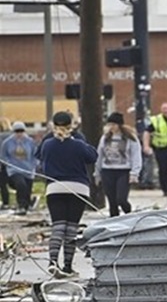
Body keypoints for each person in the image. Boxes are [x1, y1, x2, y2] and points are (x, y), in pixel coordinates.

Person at [38, 111, 98, 277]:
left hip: (54, 187)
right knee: (71, 229)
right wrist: (76, 134)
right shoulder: (78, 143)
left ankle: (52, 261)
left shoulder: (47, 144)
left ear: (53, 124)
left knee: (58, 226)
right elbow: (92, 156)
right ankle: (67, 266)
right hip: (78, 188)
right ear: (71, 124)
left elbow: (39, 156)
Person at [95, 112, 142, 217]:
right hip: (107, 170)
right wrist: (97, 173)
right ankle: (114, 220)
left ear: (119, 125)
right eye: (109, 124)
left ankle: (129, 215)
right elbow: (99, 155)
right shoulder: (105, 138)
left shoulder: (130, 139)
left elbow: (136, 155)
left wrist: (135, 173)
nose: (111, 127)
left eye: (113, 124)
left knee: (121, 199)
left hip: (123, 170)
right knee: (112, 201)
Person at [0, 122, 36, 215]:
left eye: (21, 131)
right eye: (17, 131)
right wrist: (9, 164)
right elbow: (4, 156)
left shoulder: (30, 142)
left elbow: (35, 155)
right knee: (21, 184)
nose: (19, 134)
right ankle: (21, 205)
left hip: (28, 169)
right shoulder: (7, 143)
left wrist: (33, 166)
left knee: (27, 190)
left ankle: (27, 205)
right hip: (14, 169)